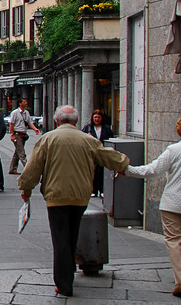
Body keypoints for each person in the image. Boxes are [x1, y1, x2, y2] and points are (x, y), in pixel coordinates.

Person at [18, 105, 129, 297]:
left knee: (60, 239)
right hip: (80, 196)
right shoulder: (87, 140)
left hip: (57, 196)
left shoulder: (48, 139)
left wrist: (26, 189)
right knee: (71, 235)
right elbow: (107, 156)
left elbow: (33, 167)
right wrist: (124, 163)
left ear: (57, 121)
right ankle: (69, 271)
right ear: (76, 121)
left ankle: (64, 283)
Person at [124, 117, 181, 298]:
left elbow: (152, 171)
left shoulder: (174, 150)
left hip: (173, 202)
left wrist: (126, 170)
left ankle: (180, 280)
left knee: (174, 241)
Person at [82, 109, 115, 197]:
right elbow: (81, 138)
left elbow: (110, 138)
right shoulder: (88, 128)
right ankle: (94, 190)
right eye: (95, 117)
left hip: (102, 152)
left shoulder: (106, 128)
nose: (97, 119)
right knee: (93, 172)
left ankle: (102, 190)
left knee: (101, 172)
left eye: (99, 117)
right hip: (91, 153)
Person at [8, 98, 41, 175]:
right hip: (17, 134)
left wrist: (35, 129)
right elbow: (11, 124)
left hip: (23, 134)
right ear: (20, 104)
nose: (26, 103)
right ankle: (28, 169)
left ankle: (13, 169)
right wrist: (12, 134)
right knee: (22, 153)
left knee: (17, 152)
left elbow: (29, 122)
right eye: (24, 102)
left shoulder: (26, 113)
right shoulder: (15, 113)